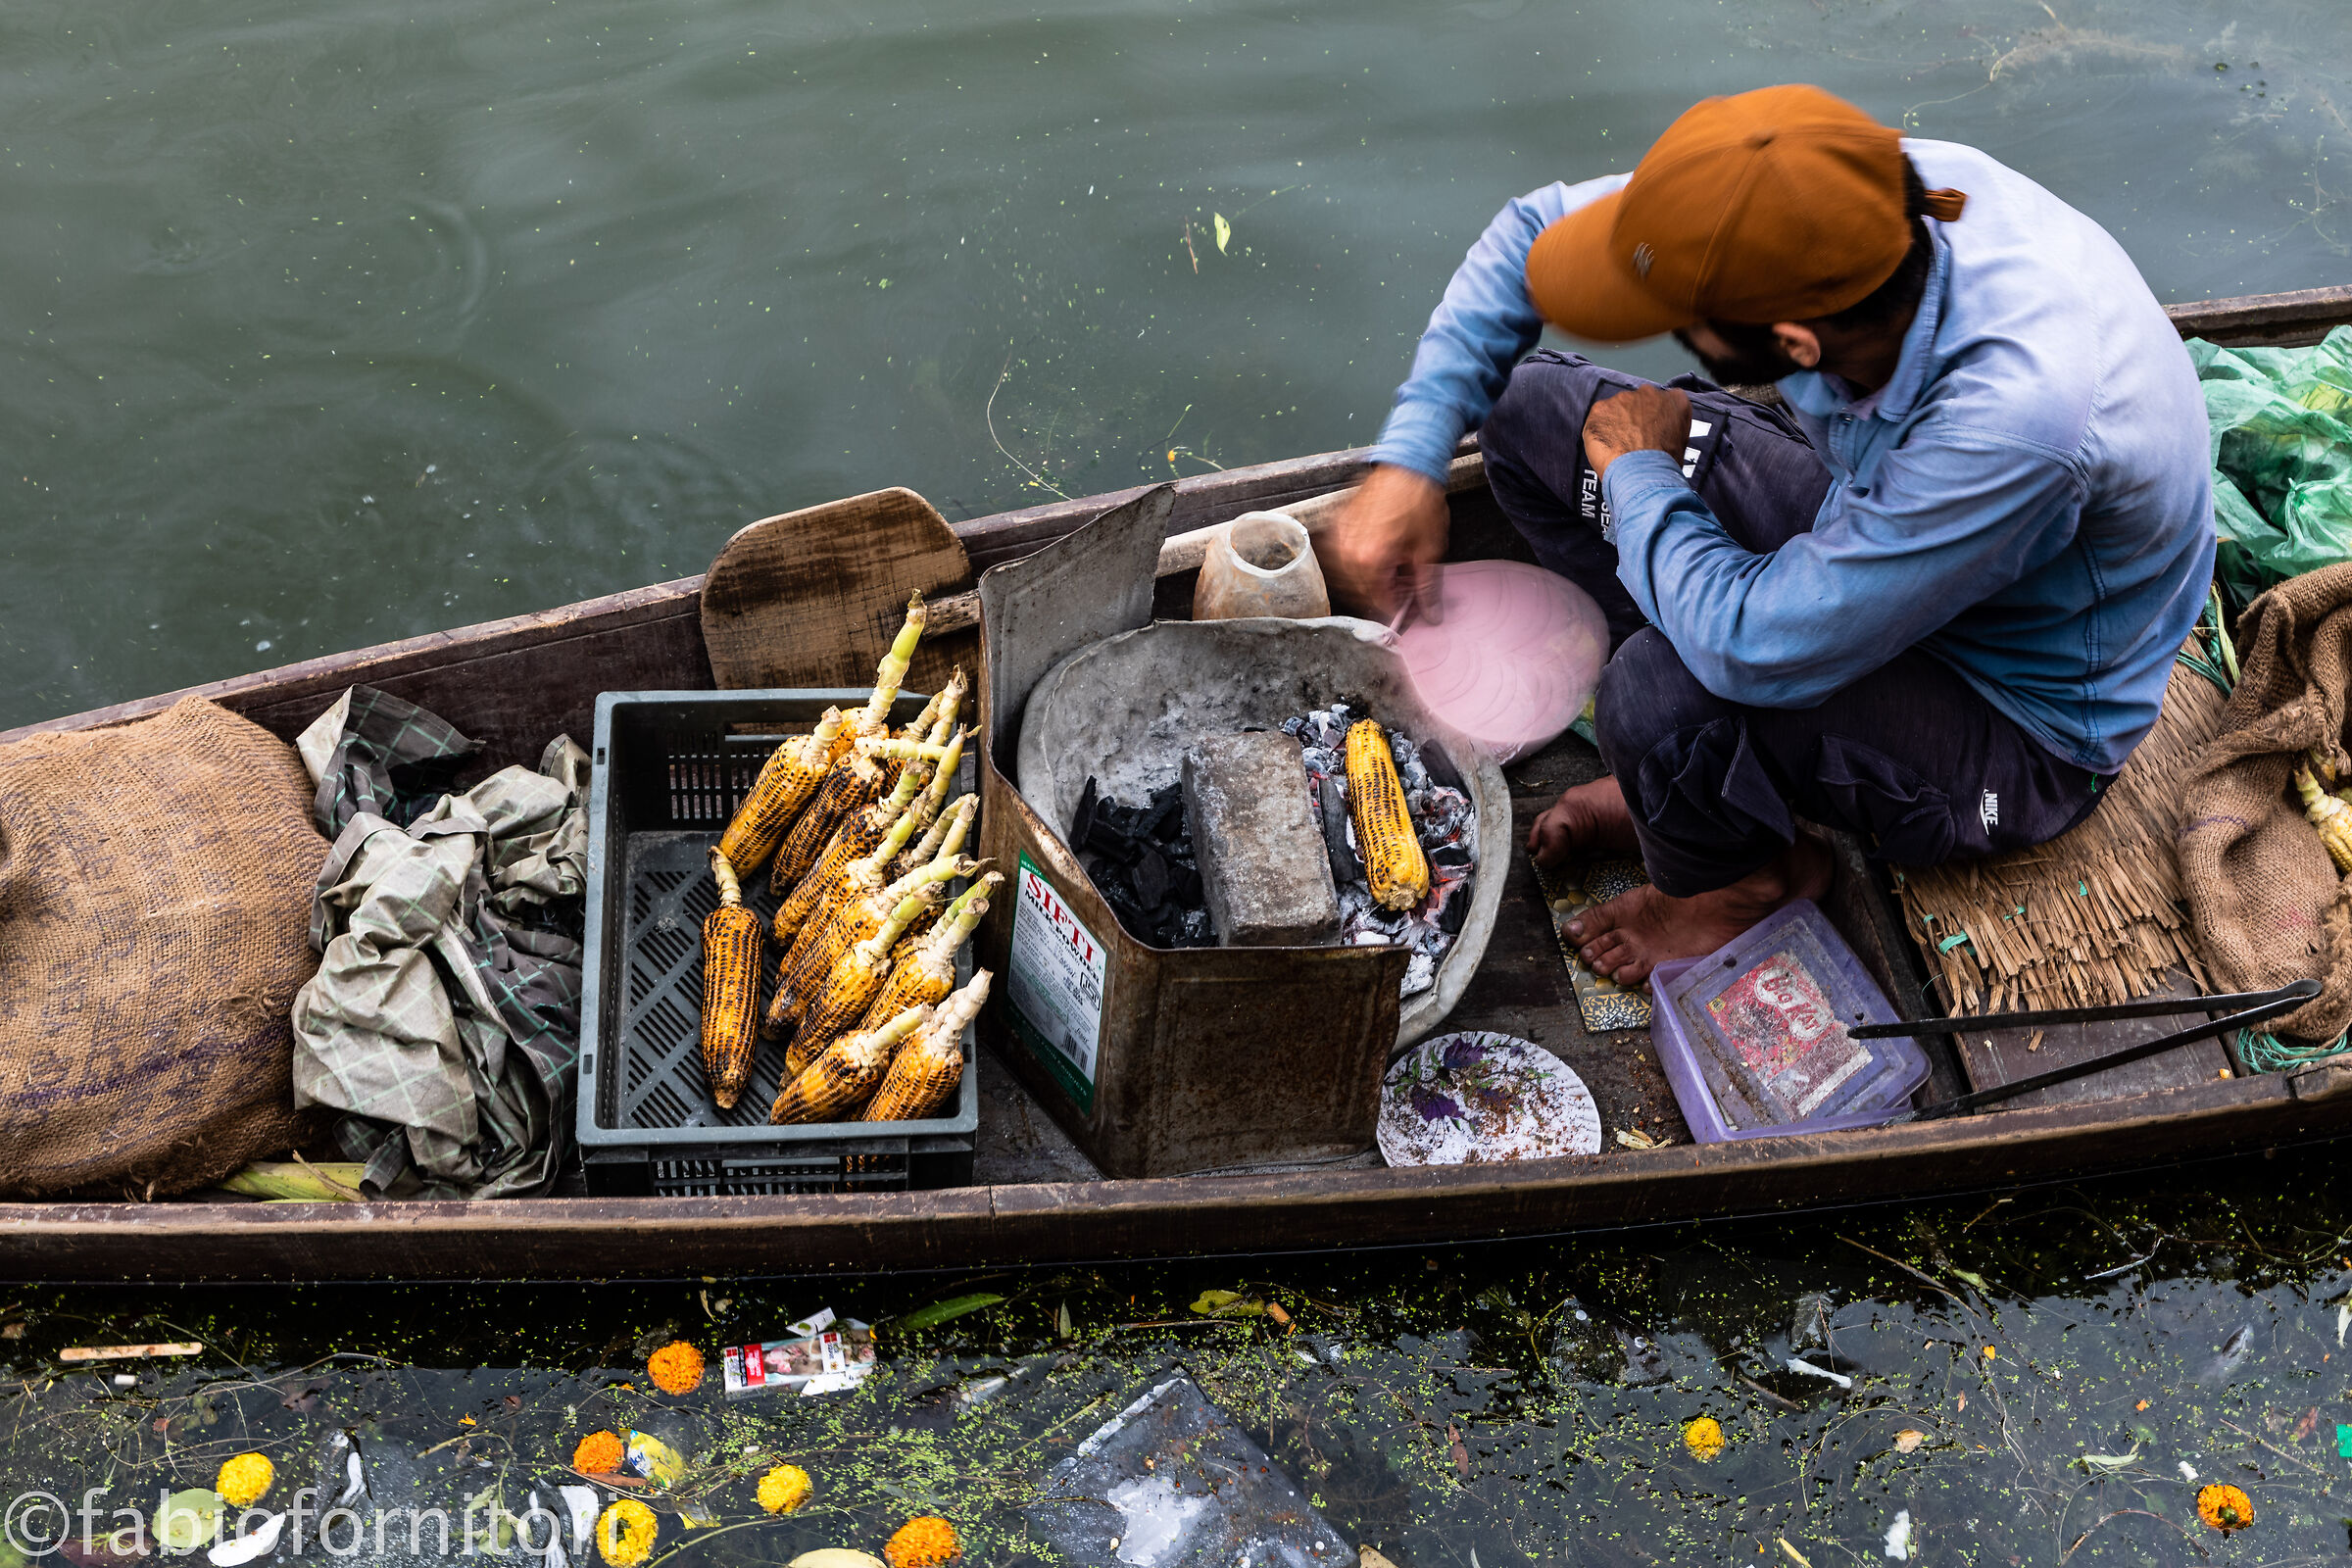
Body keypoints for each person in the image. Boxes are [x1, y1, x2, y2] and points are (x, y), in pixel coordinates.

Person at [1322, 84, 2216, 985]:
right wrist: (1411, 459)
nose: (1657, 318)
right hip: (1881, 524)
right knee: (1526, 412)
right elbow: (1530, 233)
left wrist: (1640, 474)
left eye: (1680, 314)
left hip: (2009, 708)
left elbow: (1748, 649)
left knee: (1659, 693)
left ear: (1792, 345)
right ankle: (1686, 791)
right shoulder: (1843, 200)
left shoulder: (2015, 423)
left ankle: (1737, 884)